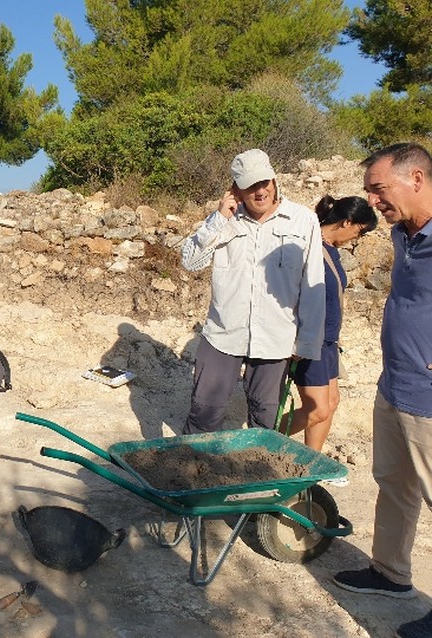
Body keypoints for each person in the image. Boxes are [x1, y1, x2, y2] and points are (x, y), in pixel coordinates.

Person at [332, 143, 432, 637]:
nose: (371, 201)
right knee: (395, 485)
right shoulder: (402, 234)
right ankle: (390, 574)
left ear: (415, 178)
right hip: (395, 383)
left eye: (378, 189)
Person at [181, 149, 325, 434]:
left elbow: (313, 284)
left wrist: (306, 342)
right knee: (203, 413)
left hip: (276, 338)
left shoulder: (303, 220)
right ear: (235, 190)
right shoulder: (223, 220)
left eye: (264, 183)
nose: (260, 192)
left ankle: (259, 477)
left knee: (266, 419)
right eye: (250, 186)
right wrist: (218, 218)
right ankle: (194, 475)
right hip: (223, 334)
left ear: (274, 180)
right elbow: (190, 262)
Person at [280, 195, 378, 456]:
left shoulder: (331, 251)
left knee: (331, 403)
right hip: (311, 342)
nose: (357, 239)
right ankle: (262, 439)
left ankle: (309, 468)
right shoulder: (309, 245)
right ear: (347, 222)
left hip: (328, 342)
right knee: (317, 409)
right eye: (359, 231)